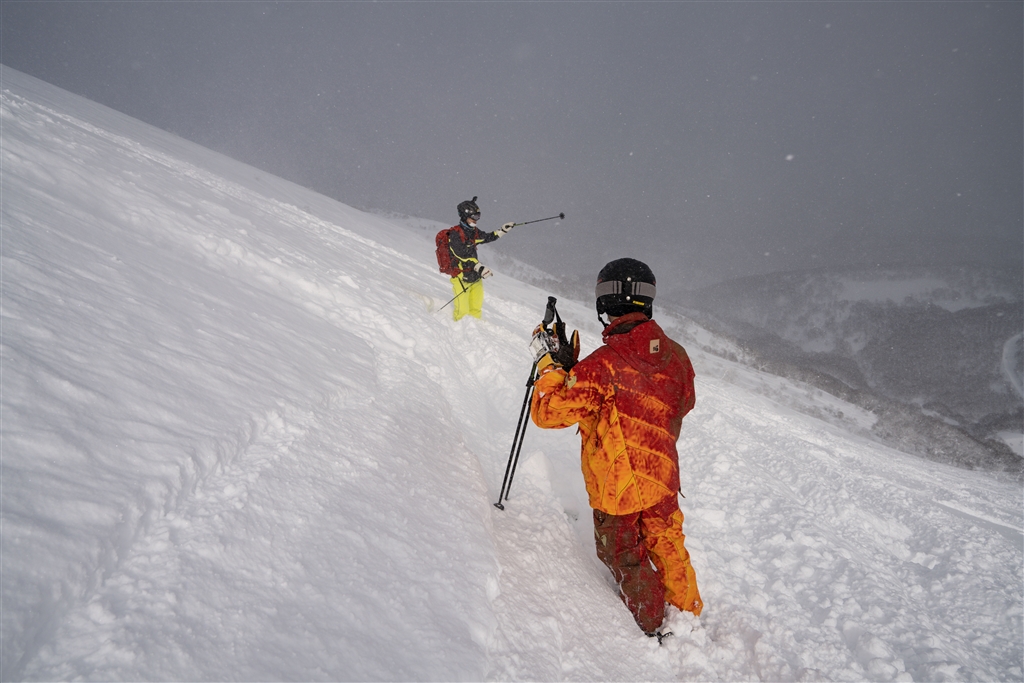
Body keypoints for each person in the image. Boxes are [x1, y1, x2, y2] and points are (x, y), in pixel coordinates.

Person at [529, 257, 703, 638]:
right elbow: (684, 400)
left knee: (621, 552)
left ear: (605, 302)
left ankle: (655, 624)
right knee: (668, 542)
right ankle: (688, 613)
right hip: (662, 473)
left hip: (617, 485)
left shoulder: (602, 366)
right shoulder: (676, 355)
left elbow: (547, 411)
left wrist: (550, 367)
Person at [447, 197, 515, 320]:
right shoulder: (455, 234)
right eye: (474, 217)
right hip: (461, 276)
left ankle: (475, 330)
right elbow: (461, 254)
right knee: (462, 310)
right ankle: (456, 328)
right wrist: (478, 266)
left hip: (475, 276)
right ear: (464, 216)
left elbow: (486, 237)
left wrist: (502, 231)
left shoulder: (473, 232)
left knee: (476, 309)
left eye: (478, 216)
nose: (476, 220)